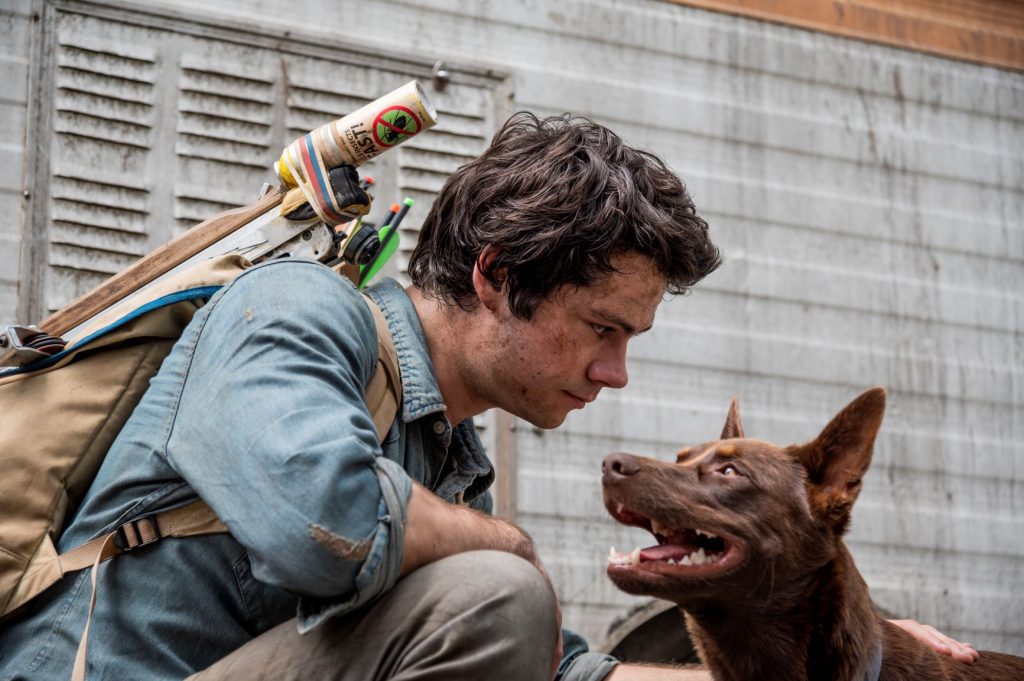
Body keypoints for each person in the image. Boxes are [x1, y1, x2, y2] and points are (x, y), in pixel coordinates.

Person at [0, 113, 976, 681]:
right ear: (499, 275)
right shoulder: (293, 309)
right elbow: (320, 522)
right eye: (603, 329)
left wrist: (880, 661)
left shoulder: (448, 462)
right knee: (496, 593)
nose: (615, 374)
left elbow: (560, 670)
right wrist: (502, 543)